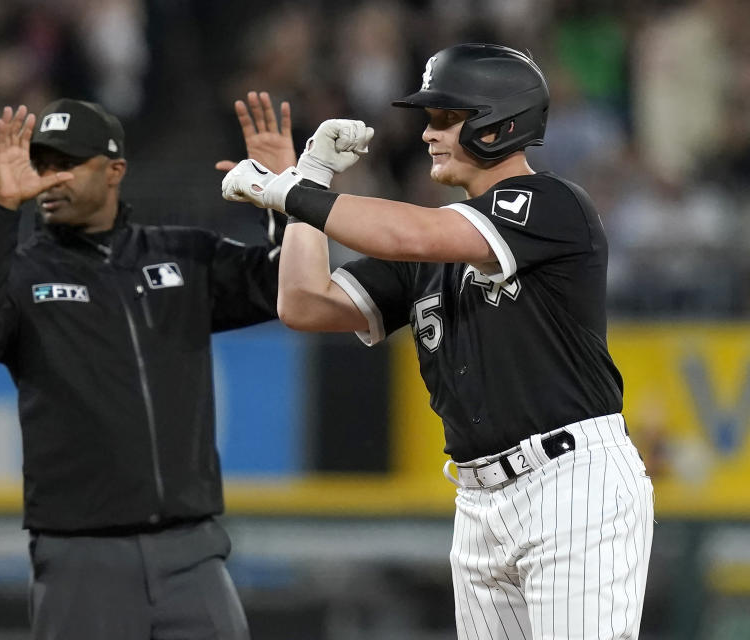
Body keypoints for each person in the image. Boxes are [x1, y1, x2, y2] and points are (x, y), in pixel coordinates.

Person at [221, 44, 654, 640]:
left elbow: (413, 234)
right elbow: (302, 303)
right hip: (477, 498)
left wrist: (284, 193)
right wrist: (307, 179)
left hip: (570, 485)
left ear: (498, 123)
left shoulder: (552, 204)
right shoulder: (436, 246)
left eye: (446, 118)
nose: (428, 133)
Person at [0, 97, 289, 640]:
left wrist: (288, 197)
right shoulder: (26, 275)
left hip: (191, 551)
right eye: (41, 164)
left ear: (114, 170)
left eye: (66, 164)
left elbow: (287, 288)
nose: (48, 179)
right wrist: (2, 208)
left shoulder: (183, 255)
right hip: (81, 556)